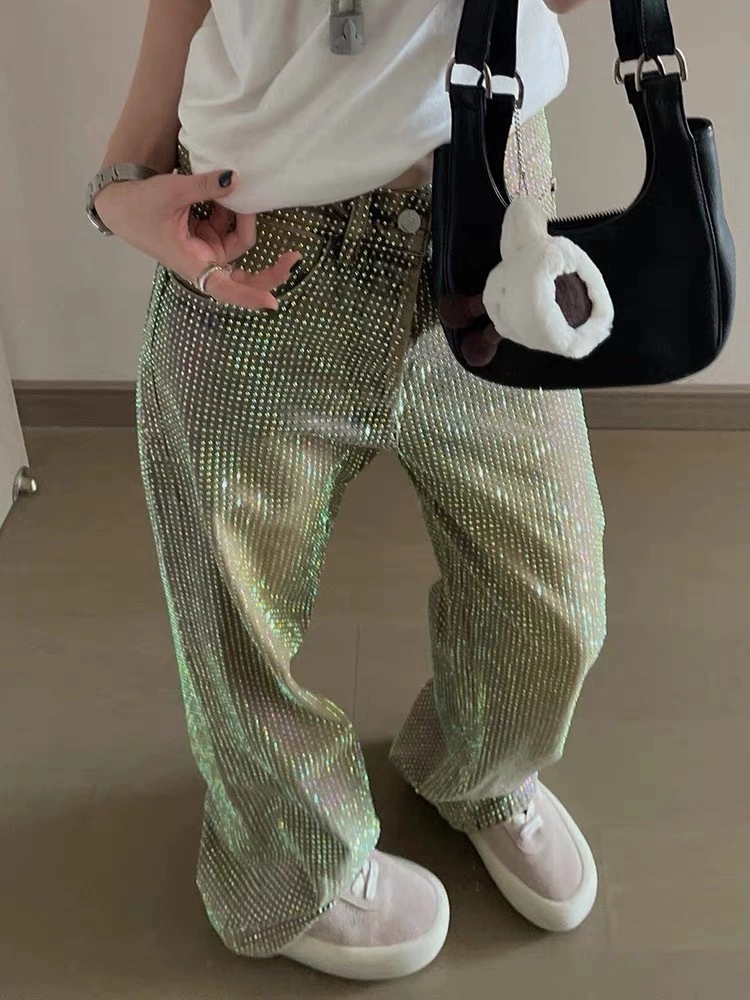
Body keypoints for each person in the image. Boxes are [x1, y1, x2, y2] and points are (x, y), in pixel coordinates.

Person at [89, 0, 602, 982]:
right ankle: (292, 858)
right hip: (257, 233)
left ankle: (481, 769)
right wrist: (124, 177)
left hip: (491, 202)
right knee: (232, 607)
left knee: (556, 596)